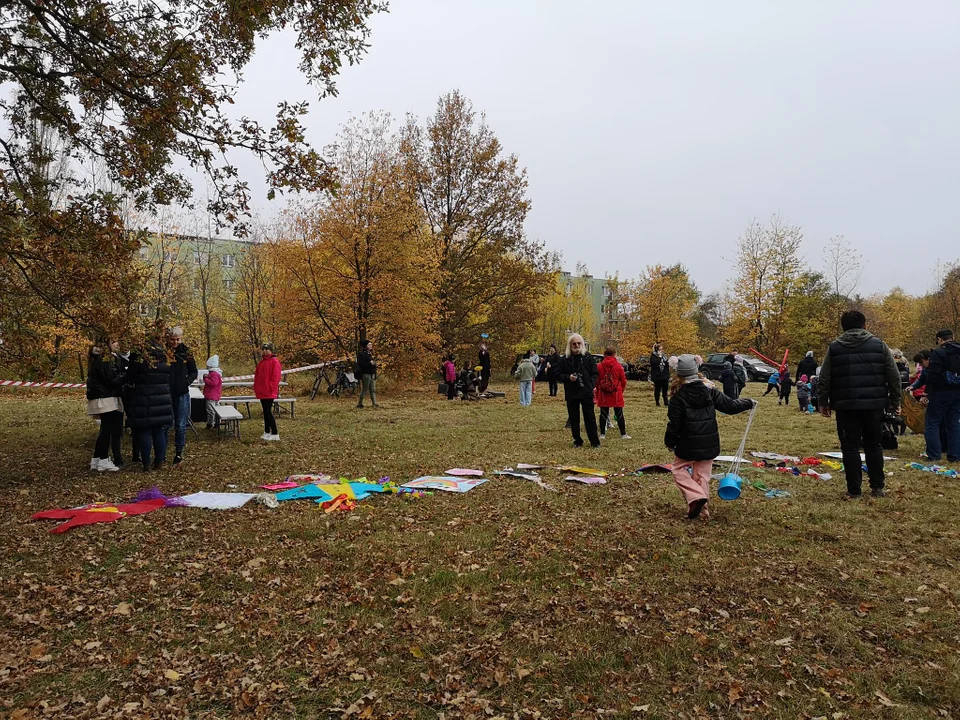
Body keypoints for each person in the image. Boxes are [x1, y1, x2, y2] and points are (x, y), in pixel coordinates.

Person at [818, 310, 902, 499]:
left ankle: (854, 490)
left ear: (843, 327)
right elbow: (894, 376)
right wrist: (895, 401)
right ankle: (877, 487)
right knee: (874, 445)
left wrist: (823, 402)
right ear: (865, 325)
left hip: (846, 406)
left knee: (850, 447)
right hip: (874, 405)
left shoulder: (835, 347)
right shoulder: (880, 345)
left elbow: (825, 377)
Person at [665, 354, 754, 520]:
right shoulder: (710, 390)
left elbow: (674, 424)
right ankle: (703, 512)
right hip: (709, 442)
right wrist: (748, 402)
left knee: (678, 469)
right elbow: (730, 406)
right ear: (696, 369)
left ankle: (696, 497)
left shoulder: (678, 397)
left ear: (679, 373)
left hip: (687, 444)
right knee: (702, 476)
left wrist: (670, 442)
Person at [126, 340, 174, 471]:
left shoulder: (139, 361)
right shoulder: (164, 362)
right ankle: (159, 461)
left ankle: (146, 463)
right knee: (158, 431)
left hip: (143, 401)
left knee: (144, 432)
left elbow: (129, 377)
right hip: (161, 401)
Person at [86, 338, 126, 472]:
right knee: (107, 430)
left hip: (103, 396)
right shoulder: (105, 359)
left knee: (105, 429)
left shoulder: (103, 358)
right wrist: (126, 376)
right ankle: (102, 459)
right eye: (114, 342)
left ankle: (97, 459)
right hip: (105, 398)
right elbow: (111, 380)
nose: (117, 344)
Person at [556, 333, 600, 448]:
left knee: (590, 418)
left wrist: (591, 385)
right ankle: (577, 441)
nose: (576, 345)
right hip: (572, 392)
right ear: (570, 345)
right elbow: (557, 375)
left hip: (586, 392)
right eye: (574, 343)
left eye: (579, 343)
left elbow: (595, 373)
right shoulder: (565, 359)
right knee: (574, 418)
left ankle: (595, 442)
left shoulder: (587, 357)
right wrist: (568, 377)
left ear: (582, 344)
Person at [924, 329, 960, 462]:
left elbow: (933, 374)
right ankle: (955, 455)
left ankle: (934, 454)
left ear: (939, 339)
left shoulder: (938, 353)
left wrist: (926, 392)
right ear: (953, 337)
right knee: (954, 424)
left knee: (932, 423)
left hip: (940, 392)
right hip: (957, 392)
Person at [167, 326, 197, 466]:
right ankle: (162, 452)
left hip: (181, 392)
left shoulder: (186, 352)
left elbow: (193, 371)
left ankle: (179, 452)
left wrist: (186, 382)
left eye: (177, 339)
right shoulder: (164, 351)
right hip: (165, 392)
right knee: (166, 424)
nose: (175, 342)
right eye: (172, 339)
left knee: (180, 424)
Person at [595, 346, 630, 440]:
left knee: (603, 414)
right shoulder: (618, 366)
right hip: (616, 393)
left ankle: (602, 434)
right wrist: (620, 390)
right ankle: (623, 434)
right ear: (614, 354)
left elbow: (597, 381)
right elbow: (623, 380)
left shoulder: (599, 366)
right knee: (619, 414)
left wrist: (598, 392)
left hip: (603, 392)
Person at [254, 342, 282, 441]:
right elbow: (257, 377)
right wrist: (256, 387)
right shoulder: (261, 363)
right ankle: (267, 431)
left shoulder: (275, 362)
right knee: (265, 412)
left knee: (268, 412)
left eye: (267, 349)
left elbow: (275, 377)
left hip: (269, 392)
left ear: (271, 350)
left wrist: (270, 387)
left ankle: (275, 432)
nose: (265, 351)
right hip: (262, 391)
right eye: (263, 349)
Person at [356, 339, 378, 408]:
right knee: (364, 389)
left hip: (372, 374)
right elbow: (361, 364)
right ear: (365, 346)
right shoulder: (361, 354)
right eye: (369, 344)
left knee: (373, 389)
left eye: (371, 344)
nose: (371, 346)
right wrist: (370, 363)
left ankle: (374, 403)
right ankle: (360, 403)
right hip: (366, 374)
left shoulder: (369, 354)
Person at [202, 355, 223, 428]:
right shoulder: (215, 373)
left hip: (211, 395)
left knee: (211, 411)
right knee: (216, 410)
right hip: (215, 395)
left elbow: (213, 383)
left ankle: (210, 424)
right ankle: (217, 423)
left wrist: (205, 379)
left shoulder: (214, 374)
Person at [649, 343, 670, 407]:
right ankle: (657, 402)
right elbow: (654, 363)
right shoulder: (653, 356)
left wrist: (668, 375)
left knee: (665, 390)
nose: (661, 351)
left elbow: (667, 366)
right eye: (660, 349)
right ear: (657, 350)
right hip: (657, 376)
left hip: (664, 376)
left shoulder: (665, 356)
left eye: (662, 349)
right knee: (657, 390)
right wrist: (659, 357)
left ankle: (666, 402)